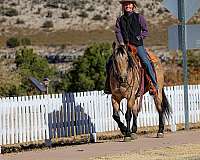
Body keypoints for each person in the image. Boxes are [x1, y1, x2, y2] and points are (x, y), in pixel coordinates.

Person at [104, 0, 158, 94]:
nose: (127, 5)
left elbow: (145, 31)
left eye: (129, 4)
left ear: (133, 6)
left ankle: (153, 84)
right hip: (124, 46)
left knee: (146, 61)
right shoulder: (120, 19)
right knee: (110, 61)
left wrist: (140, 37)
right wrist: (121, 42)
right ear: (123, 6)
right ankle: (108, 86)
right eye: (125, 4)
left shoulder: (139, 17)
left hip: (137, 45)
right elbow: (118, 32)